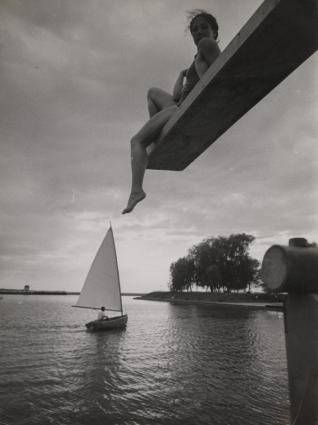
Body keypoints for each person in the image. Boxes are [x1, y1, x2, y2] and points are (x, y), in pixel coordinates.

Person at [122, 10, 221, 214]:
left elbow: (211, 80)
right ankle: (160, 133)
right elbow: (176, 95)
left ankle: (136, 190)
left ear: (214, 32)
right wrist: (182, 74)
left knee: (136, 141)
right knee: (152, 92)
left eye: (204, 27)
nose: (198, 32)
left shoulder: (207, 46)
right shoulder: (198, 56)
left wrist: (200, 78)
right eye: (194, 30)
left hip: (182, 110)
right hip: (178, 105)